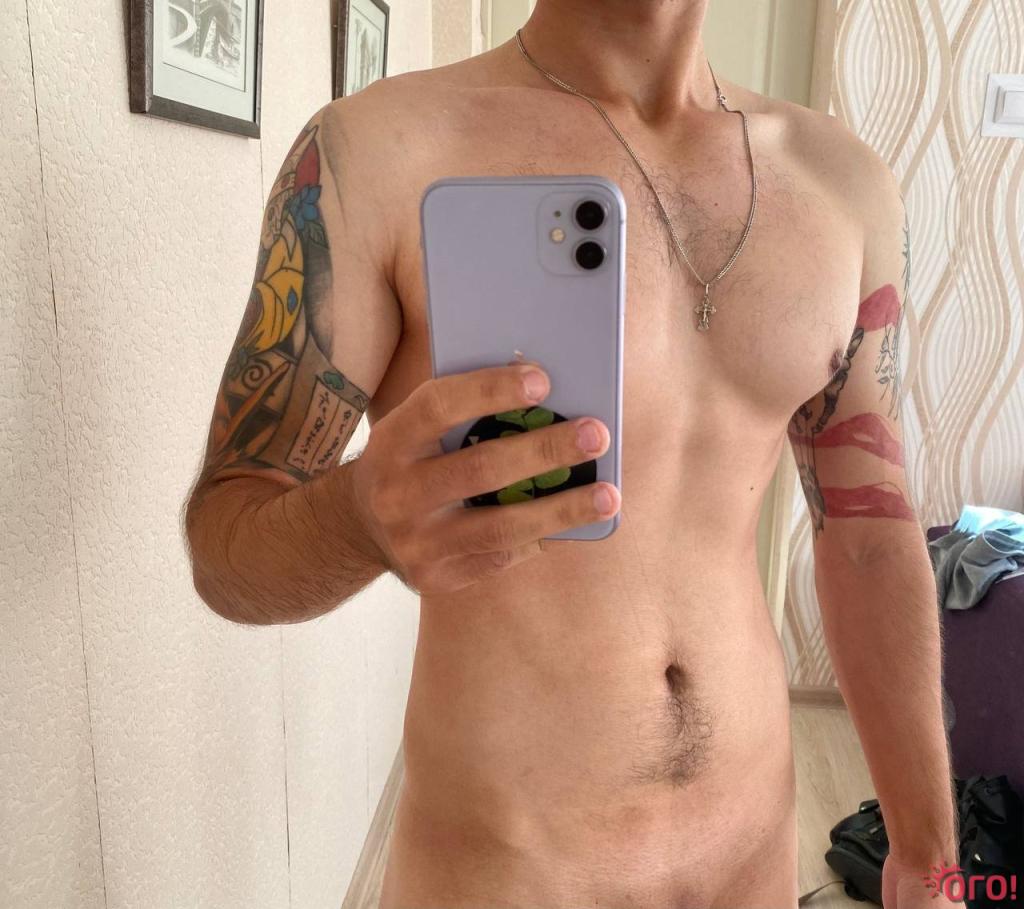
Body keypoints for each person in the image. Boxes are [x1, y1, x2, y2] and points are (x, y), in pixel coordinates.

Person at [183, 2, 961, 906]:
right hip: (505, 871)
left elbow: (868, 533)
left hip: (750, 854)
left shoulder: (842, 183)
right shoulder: (378, 154)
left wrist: (929, 849)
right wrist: (356, 519)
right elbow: (225, 545)